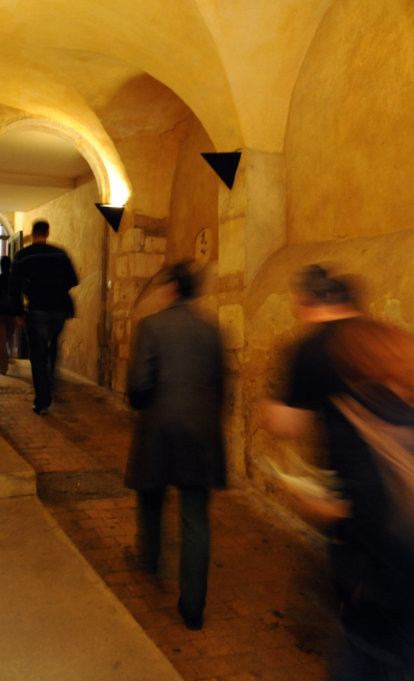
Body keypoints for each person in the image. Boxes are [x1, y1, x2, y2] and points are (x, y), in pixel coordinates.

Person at [263, 265, 414, 681]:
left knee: (388, 649)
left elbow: (362, 500)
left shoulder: (320, 368)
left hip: (376, 557)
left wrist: (318, 505)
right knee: (393, 648)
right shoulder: (402, 408)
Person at [125, 261, 226, 632]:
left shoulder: (152, 326)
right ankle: (193, 606)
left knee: (151, 496)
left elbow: (138, 384)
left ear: (171, 289)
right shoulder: (211, 331)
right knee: (195, 516)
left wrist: (138, 402)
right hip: (200, 433)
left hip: (159, 428)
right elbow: (221, 386)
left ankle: (149, 559)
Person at [9, 220, 78, 415]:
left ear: (32, 234)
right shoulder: (60, 253)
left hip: (37, 309)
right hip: (59, 310)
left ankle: (43, 400)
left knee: (38, 354)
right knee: (52, 346)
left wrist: (18, 311)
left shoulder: (23, 255)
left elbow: (13, 286)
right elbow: (73, 280)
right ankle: (50, 382)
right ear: (48, 233)